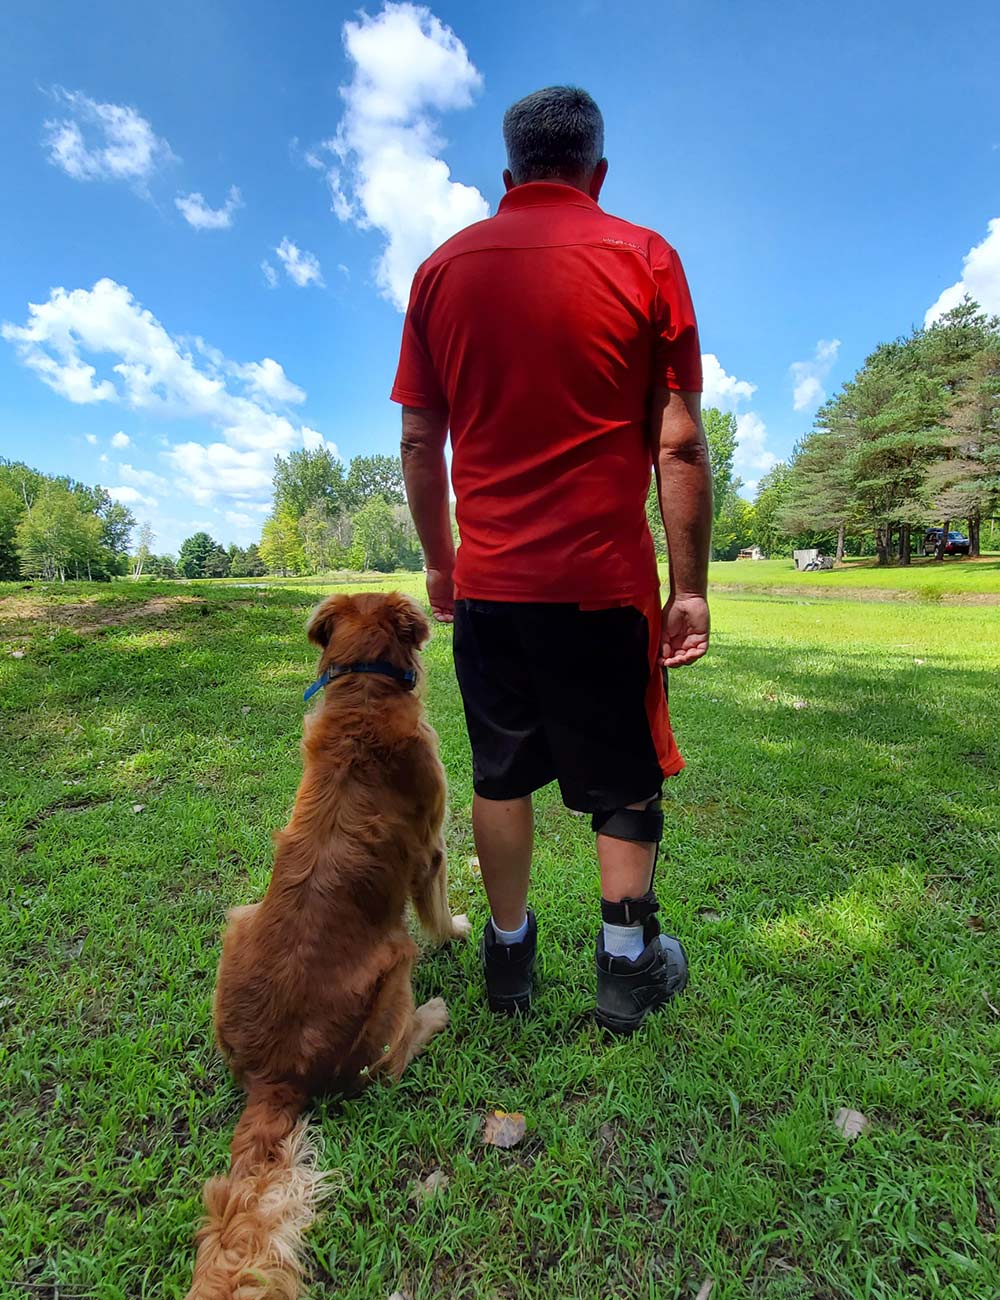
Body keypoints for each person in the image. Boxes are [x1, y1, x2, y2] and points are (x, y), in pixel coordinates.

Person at [393, 86, 711, 1034]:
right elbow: (681, 443)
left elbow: (419, 441)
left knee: (500, 773)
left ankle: (509, 956)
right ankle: (625, 965)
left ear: (507, 176)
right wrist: (688, 588)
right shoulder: (646, 257)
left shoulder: (441, 271)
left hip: (491, 587)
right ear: (597, 172)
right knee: (623, 775)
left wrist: (443, 565)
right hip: (603, 584)